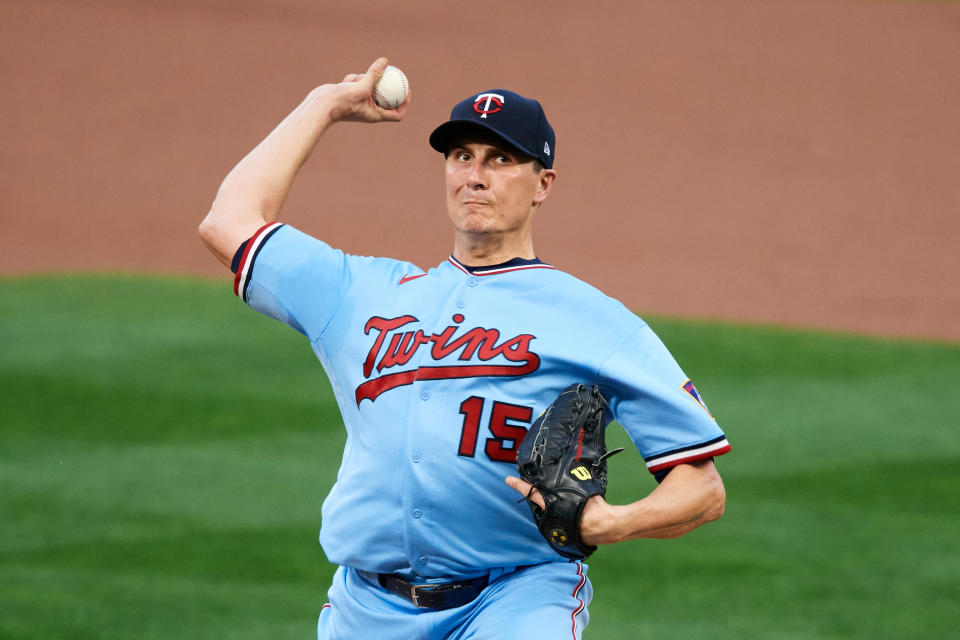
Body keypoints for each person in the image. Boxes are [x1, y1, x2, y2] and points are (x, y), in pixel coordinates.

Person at [199, 57, 730, 640]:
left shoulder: (596, 322)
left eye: (501, 159)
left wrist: (611, 523)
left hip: (516, 599)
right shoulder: (359, 293)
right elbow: (228, 222)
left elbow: (701, 488)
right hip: (365, 607)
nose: (475, 175)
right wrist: (322, 105)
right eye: (461, 157)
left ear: (543, 184)